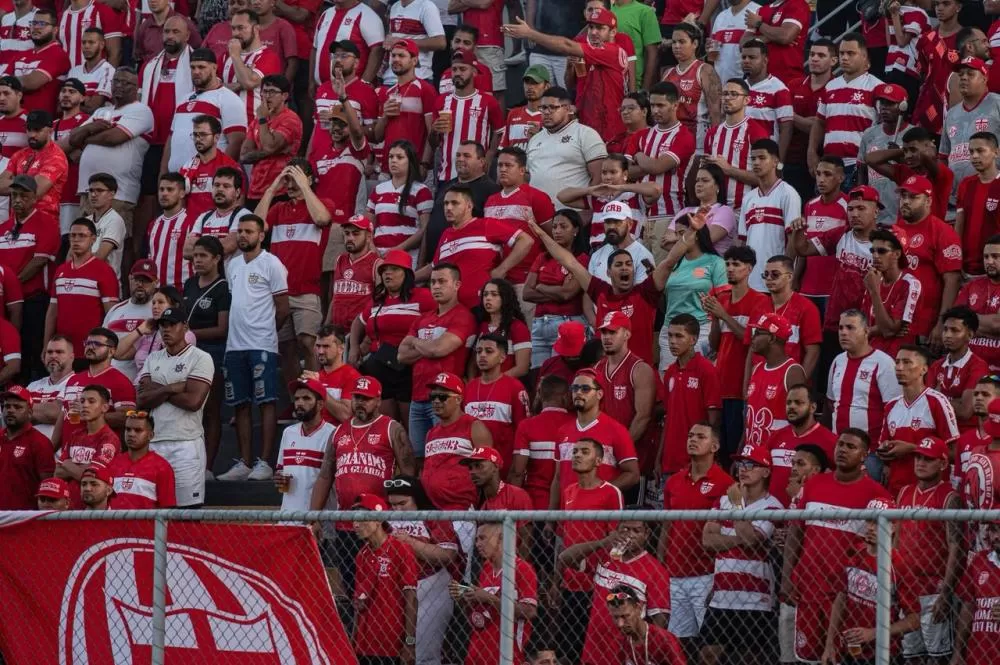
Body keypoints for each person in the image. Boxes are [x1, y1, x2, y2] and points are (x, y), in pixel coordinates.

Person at [780, 428, 891, 664]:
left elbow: (883, 546)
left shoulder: (876, 494)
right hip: (808, 588)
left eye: (851, 447)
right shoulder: (813, 485)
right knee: (807, 658)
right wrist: (787, 576)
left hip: (846, 598)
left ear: (864, 455)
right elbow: (795, 533)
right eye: (840, 444)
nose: (843, 450)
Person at [218, 215, 288, 482]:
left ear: (261, 235)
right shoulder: (233, 264)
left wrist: (265, 330)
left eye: (249, 231)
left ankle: (265, 462)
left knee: (267, 402)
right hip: (234, 346)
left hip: (261, 344)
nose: (244, 235)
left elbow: (282, 308)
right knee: (240, 404)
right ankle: (245, 462)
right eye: (241, 231)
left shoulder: (272, 263)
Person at [700, 444, 783, 665]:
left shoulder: (773, 507)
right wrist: (742, 537)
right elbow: (707, 540)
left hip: (755, 599)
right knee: (707, 654)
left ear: (766, 471)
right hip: (721, 596)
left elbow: (751, 539)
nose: (743, 469)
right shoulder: (723, 500)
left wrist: (737, 508)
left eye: (751, 465)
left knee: (749, 659)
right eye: (741, 463)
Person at [256, 161, 332, 386]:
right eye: (287, 179)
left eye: (294, 178)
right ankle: (294, 398)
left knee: (308, 342)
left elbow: (322, 219)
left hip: (307, 289)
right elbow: (255, 227)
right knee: (285, 347)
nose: (289, 184)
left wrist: (304, 186)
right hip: (278, 292)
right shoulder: (278, 209)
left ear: (308, 179)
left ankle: (315, 391)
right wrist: (272, 187)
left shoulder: (321, 204)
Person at [659, 423, 733, 653]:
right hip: (675, 573)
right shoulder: (674, 482)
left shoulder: (726, 484)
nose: (693, 439)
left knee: (710, 645)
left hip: (706, 573)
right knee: (678, 642)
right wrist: (663, 565)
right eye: (690, 435)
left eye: (701, 436)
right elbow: (667, 526)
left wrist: (721, 577)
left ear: (715, 445)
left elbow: (728, 533)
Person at [819, 497, 921, 664]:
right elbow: (841, 597)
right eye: (869, 521)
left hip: (884, 653)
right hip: (850, 650)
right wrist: (830, 644)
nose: (872, 528)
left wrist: (874, 632)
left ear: (893, 527)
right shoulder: (853, 554)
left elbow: (914, 620)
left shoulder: (899, 565)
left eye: (878, 522)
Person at [502, 9, 626, 143]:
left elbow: (566, 45)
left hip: (610, 131)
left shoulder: (611, 51)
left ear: (613, 32)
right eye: (591, 27)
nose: (594, 32)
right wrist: (569, 66)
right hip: (588, 126)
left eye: (600, 28)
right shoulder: (590, 53)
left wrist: (529, 33)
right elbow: (570, 85)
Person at [567, 515, 672, 665]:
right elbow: (565, 558)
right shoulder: (604, 555)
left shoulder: (656, 571)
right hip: (594, 649)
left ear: (646, 534)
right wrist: (603, 542)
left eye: (636, 530)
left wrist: (646, 653)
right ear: (617, 530)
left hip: (626, 652)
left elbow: (660, 620)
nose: (630, 535)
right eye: (625, 529)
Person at [135, 306, 213, 507]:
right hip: (155, 440)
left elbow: (193, 402)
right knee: (154, 508)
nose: (166, 330)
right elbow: (141, 400)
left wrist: (157, 389)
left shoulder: (200, 357)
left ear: (185, 326)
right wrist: (171, 388)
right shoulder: (153, 358)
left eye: (172, 325)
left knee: (187, 511)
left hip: (185, 443)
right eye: (162, 326)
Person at [397, 263, 476, 459]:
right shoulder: (422, 319)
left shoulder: (463, 316)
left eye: (442, 281)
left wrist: (416, 341)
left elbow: (440, 349)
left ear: (457, 284)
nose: (436, 286)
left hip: (445, 397)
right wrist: (429, 347)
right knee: (418, 457)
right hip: (418, 398)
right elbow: (401, 355)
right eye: (432, 282)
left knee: (442, 455)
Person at [895, 435, 963, 663]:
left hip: (934, 589)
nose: (920, 463)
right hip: (907, 590)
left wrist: (946, 593)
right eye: (918, 458)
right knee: (911, 656)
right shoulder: (904, 492)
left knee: (938, 657)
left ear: (943, 464)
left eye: (928, 459)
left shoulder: (950, 497)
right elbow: (895, 541)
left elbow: (956, 546)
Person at [350, 249, 434, 426]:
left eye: (394, 269)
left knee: (409, 426)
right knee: (388, 425)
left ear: (407, 274)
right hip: (379, 368)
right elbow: (358, 322)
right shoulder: (377, 300)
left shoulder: (423, 297)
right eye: (385, 270)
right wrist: (354, 347)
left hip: (407, 367)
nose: (388, 273)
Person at [72, 68, 155, 244]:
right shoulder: (100, 112)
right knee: (85, 243)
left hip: (118, 193)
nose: (119, 86)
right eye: (116, 81)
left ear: (136, 88)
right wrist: (90, 128)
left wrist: (85, 137)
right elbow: (73, 138)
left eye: (126, 83)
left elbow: (113, 138)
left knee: (115, 244)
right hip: (88, 191)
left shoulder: (141, 110)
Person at [385, 475, 460, 665]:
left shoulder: (433, 517)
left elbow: (447, 555)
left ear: (416, 497)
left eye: (403, 503)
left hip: (432, 584)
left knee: (424, 653)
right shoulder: (385, 520)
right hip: (395, 588)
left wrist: (409, 543)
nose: (397, 509)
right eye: (393, 505)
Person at [420, 184, 532, 311]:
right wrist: (408, 276)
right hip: (453, 310)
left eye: (454, 203)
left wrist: (501, 270)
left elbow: (525, 240)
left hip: (483, 306)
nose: (448, 208)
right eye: (446, 204)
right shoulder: (446, 234)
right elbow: (434, 266)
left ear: (469, 206)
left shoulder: (486, 224)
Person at [137, 16, 196, 241]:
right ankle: (152, 239)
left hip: (182, 141)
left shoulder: (194, 63)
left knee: (182, 193)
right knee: (150, 194)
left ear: (187, 35)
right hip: (152, 140)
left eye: (175, 32)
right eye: (166, 32)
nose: (170, 36)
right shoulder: (150, 65)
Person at [482, 146, 556, 319]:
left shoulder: (537, 197)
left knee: (529, 333)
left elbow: (552, 237)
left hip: (526, 279)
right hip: (497, 281)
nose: (502, 169)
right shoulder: (490, 201)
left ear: (522, 170)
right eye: (499, 165)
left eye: (508, 165)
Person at [451, 522, 537, 665]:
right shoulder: (485, 569)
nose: (478, 544)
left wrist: (490, 598)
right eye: (476, 539)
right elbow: (480, 615)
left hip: (506, 656)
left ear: (502, 538)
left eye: (483, 538)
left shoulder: (523, 569)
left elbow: (529, 611)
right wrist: (467, 597)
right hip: (476, 654)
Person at [879, 345, 961, 494]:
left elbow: (954, 452)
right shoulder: (891, 406)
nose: (899, 367)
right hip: (898, 491)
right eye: (897, 362)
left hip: (930, 492)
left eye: (907, 362)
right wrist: (885, 449)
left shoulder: (937, 401)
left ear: (924, 369)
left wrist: (911, 449)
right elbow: (885, 453)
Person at [827, 310, 902, 466]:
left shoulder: (884, 363)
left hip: (871, 452)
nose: (843, 333)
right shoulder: (837, 361)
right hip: (839, 447)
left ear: (866, 331)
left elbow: (894, 410)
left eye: (850, 328)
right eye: (840, 328)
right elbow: (831, 403)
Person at [807, 33, 882, 188]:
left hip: (859, 165)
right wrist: (812, 151)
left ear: (864, 56)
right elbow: (820, 122)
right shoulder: (831, 86)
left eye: (850, 53)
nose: (845, 58)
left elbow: (884, 127)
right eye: (841, 53)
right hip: (829, 166)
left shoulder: (877, 87)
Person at [352, 493, 419, 665]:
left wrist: (410, 643)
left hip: (391, 642)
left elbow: (411, 597)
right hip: (364, 643)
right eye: (353, 519)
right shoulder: (362, 555)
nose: (356, 525)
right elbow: (359, 604)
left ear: (378, 519)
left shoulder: (401, 549)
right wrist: (353, 641)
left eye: (362, 519)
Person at [182, 236, 229, 476]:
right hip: (186, 354)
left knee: (210, 410)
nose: (197, 261)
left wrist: (189, 333)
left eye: (203, 256)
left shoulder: (223, 287)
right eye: (195, 256)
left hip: (212, 354)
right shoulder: (189, 284)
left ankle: (208, 466)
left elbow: (222, 328)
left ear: (217, 259)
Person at [657, 210, 726, 367]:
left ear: (695, 233)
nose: (677, 239)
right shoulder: (672, 264)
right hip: (670, 329)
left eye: (681, 233)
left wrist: (717, 336)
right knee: (669, 382)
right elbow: (665, 302)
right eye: (676, 234)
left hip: (701, 330)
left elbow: (724, 301)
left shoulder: (716, 262)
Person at [522, 209, 588, 369]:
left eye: (563, 226)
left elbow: (567, 294)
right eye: (555, 227)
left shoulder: (582, 258)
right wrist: (556, 290)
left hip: (567, 323)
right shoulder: (542, 257)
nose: (557, 231)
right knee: (539, 376)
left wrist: (541, 286)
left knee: (561, 373)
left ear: (576, 230)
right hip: (539, 324)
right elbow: (526, 293)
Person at [44, 218, 120, 358]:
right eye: (72, 236)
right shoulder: (61, 270)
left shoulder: (104, 271)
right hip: (63, 352)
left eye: (82, 236)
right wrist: (46, 345)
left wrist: (106, 349)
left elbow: (111, 313)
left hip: (90, 351)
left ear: (93, 239)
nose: (76, 240)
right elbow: (52, 312)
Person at [593, 311, 657, 475]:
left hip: (633, 456)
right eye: (604, 332)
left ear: (627, 334)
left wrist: (620, 450)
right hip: (604, 453)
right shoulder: (597, 368)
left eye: (613, 332)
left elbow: (643, 417)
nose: (607, 337)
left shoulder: (639, 369)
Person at [629, 81, 696, 237]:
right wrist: (652, 164)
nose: (655, 110)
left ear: (675, 105)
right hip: (639, 215)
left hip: (668, 214)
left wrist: (639, 156)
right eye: (652, 105)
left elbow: (657, 167)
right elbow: (626, 173)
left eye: (661, 105)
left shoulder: (683, 136)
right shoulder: (642, 135)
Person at [164, 48, 247, 173]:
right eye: (193, 67)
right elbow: (172, 139)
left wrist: (218, 175)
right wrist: (163, 172)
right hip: (176, 180)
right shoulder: (183, 100)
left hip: (207, 178)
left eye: (201, 67)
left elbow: (237, 142)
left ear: (214, 68)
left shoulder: (229, 99)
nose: (196, 72)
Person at [419, 371, 491, 512]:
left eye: (442, 397)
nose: (436, 401)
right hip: (434, 510)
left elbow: (489, 469)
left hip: (462, 510)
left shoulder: (474, 426)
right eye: (432, 397)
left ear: (458, 399)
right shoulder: (431, 432)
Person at [524, 86, 606, 207]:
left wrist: (589, 209)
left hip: (572, 218)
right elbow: (528, 177)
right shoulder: (535, 139)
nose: (546, 112)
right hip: (538, 216)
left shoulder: (586, 134)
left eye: (552, 107)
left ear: (567, 109)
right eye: (543, 108)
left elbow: (599, 177)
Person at [431, 48, 502, 183]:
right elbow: (434, 143)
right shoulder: (441, 101)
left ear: (474, 72)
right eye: (455, 69)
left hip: (477, 175)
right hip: (446, 175)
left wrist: (489, 155)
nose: (457, 73)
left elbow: (499, 132)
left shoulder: (488, 101)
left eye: (463, 69)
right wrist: (434, 131)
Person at [739, 139, 801, 293]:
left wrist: (783, 273)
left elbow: (793, 238)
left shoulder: (788, 193)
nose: (756, 163)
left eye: (762, 158)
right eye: (753, 159)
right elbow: (743, 241)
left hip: (776, 280)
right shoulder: (748, 198)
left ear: (775, 161)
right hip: (751, 280)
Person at [940, 58, 1000, 215]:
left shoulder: (997, 103)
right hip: (957, 199)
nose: (964, 77)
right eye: (961, 74)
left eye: (970, 74)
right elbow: (944, 156)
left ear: (984, 78)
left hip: (993, 193)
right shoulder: (952, 114)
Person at [463, 334, 529, 473]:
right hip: (473, 468)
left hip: (503, 466)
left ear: (503, 357)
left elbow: (523, 430)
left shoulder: (515, 387)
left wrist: (516, 469)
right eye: (479, 351)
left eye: (489, 351)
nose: (482, 355)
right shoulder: (469, 388)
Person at [423, 140, 501, 258]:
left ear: (481, 162)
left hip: (464, 261)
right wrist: (420, 262)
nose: (460, 159)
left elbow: (493, 231)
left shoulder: (492, 190)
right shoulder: (446, 186)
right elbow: (431, 224)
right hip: (432, 262)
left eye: (467, 156)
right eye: (458, 155)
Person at [702, 80, 767, 220]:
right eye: (725, 94)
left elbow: (765, 178)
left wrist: (729, 169)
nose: (727, 98)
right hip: (715, 210)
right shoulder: (712, 133)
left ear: (747, 100)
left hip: (744, 210)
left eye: (734, 94)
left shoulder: (756, 132)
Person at [765, 385, 837, 507]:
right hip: (770, 516)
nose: (792, 406)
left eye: (798, 403)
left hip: (806, 516)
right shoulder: (776, 436)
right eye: (789, 403)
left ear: (813, 407)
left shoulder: (830, 440)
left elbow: (839, 480)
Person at [372, 40, 437, 176]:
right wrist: (384, 116)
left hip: (415, 166)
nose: (395, 59)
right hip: (388, 168)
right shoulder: (387, 92)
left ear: (414, 61)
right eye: (393, 55)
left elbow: (432, 133)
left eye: (401, 56)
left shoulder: (425, 90)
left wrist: (424, 163)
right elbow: (377, 136)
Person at [743, 312, 808, 447]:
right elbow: (749, 419)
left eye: (758, 332)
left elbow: (802, 419)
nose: (752, 338)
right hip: (752, 454)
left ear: (772, 338)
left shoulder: (792, 372)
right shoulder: (757, 368)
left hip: (777, 454)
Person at [60, 328, 136, 443]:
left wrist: (90, 412)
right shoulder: (73, 379)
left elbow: (127, 417)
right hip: (67, 451)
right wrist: (52, 447)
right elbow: (63, 417)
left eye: (97, 344)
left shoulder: (120, 381)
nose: (91, 347)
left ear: (111, 351)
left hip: (99, 451)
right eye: (88, 343)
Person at [274, 378, 337, 510]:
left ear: (320, 405)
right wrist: (279, 478)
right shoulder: (288, 433)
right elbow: (280, 470)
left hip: (319, 519)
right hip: (287, 516)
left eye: (306, 398)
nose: (299, 403)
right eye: (297, 399)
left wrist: (316, 519)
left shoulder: (333, 434)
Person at [54, 384, 120, 508]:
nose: (85, 405)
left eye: (91, 401)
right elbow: (57, 473)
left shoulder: (109, 439)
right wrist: (83, 468)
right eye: (82, 401)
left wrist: (68, 464)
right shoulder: (75, 435)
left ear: (105, 407)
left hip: (93, 509)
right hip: (69, 507)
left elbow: (94, 478)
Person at [366, 140, 431, 266]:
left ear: (410, 161)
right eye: (391, 156)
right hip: (377, 256)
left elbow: (424, 229)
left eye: (400, 157)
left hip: (406, 258)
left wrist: (397, 249)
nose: (393, 160)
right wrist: (372, 248)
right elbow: (368, 226)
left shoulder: (421, 191)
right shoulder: (378, 190)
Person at [241, 74, 302, 205]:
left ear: (285, 96)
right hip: (255, 191)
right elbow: (244, 156)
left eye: (272, 92)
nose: (267, 96)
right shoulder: (256, 121)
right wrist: (272, 152)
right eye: (264, 91)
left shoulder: (290, 119)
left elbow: (268, 146)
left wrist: (263, 119)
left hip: (280, 190)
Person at [859, 228, 921, 358]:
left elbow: (888, 331)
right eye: (873, 250)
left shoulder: (910, 284)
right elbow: (867, 325)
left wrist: (874, 291)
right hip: (868, 354)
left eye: (882, 251)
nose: (875, 255)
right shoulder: (873, 279)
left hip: (895, 360)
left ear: (897, 254)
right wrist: (876, 330)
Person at [927, 307, 990, 431]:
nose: (948, 335)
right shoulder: (936, 366)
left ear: (970, 335)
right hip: (938, 432)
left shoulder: (978, 366)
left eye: (955, 330)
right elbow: (924, 404)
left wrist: (937, 397)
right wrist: (956, 401)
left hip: (965, 434)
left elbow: (965, 411)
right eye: (945, 329)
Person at [857, 83, 910, 226]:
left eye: (890, 103)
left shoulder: (912, 134)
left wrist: (899, 156)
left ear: (902, 106)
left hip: (900, 209)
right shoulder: (869, 134)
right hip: (875, 212)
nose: (884, 108)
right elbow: (861, 171)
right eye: (882, 103)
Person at [114, 286, 196, 376]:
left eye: (161, 302)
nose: (155, 306)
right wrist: (139, 330)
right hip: (139, 386)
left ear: (175, 306)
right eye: (153, 303)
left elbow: (171, 367)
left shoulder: (186, 335)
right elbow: (118, 354)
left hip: (161, 387)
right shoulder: (148, 333)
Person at [1, 109, 67, 220]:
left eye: (37, 130)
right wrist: (25, 184)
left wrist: (13, 183)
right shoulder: (20, 154)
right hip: (16, 221)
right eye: (29, 129)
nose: (32, 134)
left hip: (43, 221)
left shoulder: (55, 156)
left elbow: (36, 191)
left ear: (50, 131)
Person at [663, 23, 721, 150]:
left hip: (697, 141)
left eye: (682, 42)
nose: (677, 46)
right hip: (671, 139)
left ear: (694, 44)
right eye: (674, 42)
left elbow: (715, 112)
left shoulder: (705, 70)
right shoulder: (667, 73)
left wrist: (716, 145)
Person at [177, 116, 242, 224]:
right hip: (191, 230)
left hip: (218, 229)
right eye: (195, 135)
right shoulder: (187, 167)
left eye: (203, 135)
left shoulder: (230, 166)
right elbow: (180, 203)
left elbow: (239, 202)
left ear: (216, 137)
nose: (198, 139)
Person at [220, 9, 281, 122]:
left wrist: (235, 55)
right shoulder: (224, 56)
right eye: (233, 28)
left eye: (241, 28)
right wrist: (238, 85)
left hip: (253, 127)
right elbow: (213, 86)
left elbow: (248, 82)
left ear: (256, 29)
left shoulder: (268, 57)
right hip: (226, 125)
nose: (236, 33)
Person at [106, 410, 177, 508]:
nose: (131, 434)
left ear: (150, 435)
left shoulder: (162, 467)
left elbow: (167, 508)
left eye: (138, 430)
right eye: (128, 429)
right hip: (113, 523)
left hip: (147, 523)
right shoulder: (113, 463)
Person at [0, 385, 55, 509]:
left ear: (30, 413)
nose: (10, 410)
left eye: (18, 407)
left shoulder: (40, 442)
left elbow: (46, 485)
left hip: (24, 517)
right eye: (7, 406)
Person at [310, 0, 384, 90]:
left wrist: (364, 84)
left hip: (352, 90)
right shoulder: (326, 14)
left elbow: (378, 50)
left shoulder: (367, 15)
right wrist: (311, 81)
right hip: (323, 89)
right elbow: (315, 48)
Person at [102, 260, 157, 381]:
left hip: (140, 380)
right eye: (137, 279)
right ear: (129, 279)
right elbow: (102, 344)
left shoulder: (157, 311)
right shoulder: (115, 310)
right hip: (109, 377)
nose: (140, 284)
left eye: (146, 280)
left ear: (156, 283)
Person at [10, 8, 71, 113]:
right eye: (33, 23)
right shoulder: (20, 55)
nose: (36, 27)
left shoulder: (58, 54)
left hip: (40, 124)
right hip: (13, 120)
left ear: (55, 30)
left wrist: (8, 83)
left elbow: (31, 83)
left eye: (42, 23)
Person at [955, 133, 1000, 276]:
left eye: (980, 151)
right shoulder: (965, 184)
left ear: (996, 152)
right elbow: (959, 226)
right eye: (971, 152)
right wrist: (956, 259)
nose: (974, 156)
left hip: (995, 268)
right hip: (967, 269)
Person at [606, 585, 686, 665]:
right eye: (616, 617)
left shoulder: (664, 640)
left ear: (638, 608)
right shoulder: (622, 644)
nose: (620, 624)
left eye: (626, 616)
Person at [740, 41, 792, 163]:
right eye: (743, 57)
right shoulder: (737, 87)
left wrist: (778, 163)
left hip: (763, 158)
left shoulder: (779, 89)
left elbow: (787, 129)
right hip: (738, 154)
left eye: (752, 57)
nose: (746, 61)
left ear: (765, 60)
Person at [185, 167, 253, 259]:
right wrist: (218, 244)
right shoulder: (204, 217)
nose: (220, 189)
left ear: (237, 192)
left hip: (231, 273)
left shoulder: (244, 216)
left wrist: (199, 246)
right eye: (216, 185)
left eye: (226, 186)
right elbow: (187, 250)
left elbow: (229, 245)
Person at [52, 79, 89, 240]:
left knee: (72, 238)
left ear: (82, 98)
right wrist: (68, 152)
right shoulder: (52, 125)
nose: (66, 94)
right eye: (63, 91)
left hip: (75, 191)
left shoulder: (87, 121)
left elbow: (84, 154)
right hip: (56, 193)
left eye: (72, 92)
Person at [586, 201, 655, 286]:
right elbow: (589, 293)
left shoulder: (643, 256)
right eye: (608, 222)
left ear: (630, 224)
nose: (611, 227)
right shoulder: (596, 255)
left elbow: (642, 295)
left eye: (617, 222)